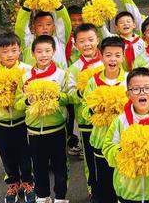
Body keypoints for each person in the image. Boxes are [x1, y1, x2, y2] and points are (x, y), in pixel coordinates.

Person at [102, 68, 149, 203]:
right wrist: (127, 153)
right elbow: (107, 148)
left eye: (147, 88)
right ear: (128, 94)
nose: (142, 93)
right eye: (136, 89)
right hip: (127, 191)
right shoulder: (120, 121)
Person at [17, 35, 69, 203]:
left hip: (57, 128)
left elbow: (69, 98)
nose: (43, 55)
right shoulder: (25, 77)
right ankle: (42, 195)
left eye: (47, 51)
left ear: (54, 52)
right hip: (34, 131)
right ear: (33, 54)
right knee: (39, 167)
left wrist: (55, 96)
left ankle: (60, 196)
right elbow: (18, 103)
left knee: (60, 165)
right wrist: (28, 100)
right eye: (39, 51)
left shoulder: (61, 74)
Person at [0, 32, 35, 203]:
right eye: (5, 51)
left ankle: (28, 182)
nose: (10, 55)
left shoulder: (27, 70)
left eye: (13, 50)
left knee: (25, 154)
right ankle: (13, 184)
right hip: (1, 123)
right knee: (6, 156)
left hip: (22, 122)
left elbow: (30, 97)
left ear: (19, 51)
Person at [84, 36, 127, 203]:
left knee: (123, 181)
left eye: (117, 55)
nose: (113, 59)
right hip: (100, 140)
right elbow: (85, 112)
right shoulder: (93, 82)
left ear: (123, 56)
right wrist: (96, 109)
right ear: (101, 56)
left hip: (123, 142)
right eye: (108, 55)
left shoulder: (128, 80)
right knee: (103, 182)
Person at [65, 23, 102, 201]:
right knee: (90, 157)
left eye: (90, 40)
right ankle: (92, 189)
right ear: (75, 44)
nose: (87, 44)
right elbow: (69, 94)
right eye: (82, 41)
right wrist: (81, 92)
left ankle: (111, 187)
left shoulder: (107, 61)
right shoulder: (74, 68)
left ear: (97, 40)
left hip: (109, 120)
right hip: (86, 121)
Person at [15, 5, 71, 69]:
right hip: (33, 78)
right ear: (33, 28)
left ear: (53, 27)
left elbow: (64, 23)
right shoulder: (28, 43)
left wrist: (59, 6)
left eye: (48, 24)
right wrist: (26, 7)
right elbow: (20, 29)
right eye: (40, 25)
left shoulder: (60, 41)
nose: (45, 28)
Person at [64, 5, 82, 156]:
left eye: (79, 20)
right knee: (70, 115)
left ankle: (82, 142)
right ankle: (71, 141)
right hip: (68, 81)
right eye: (73, 20)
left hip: (82, 78)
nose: (76, 23)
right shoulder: (63, 38)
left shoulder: (84, 38)